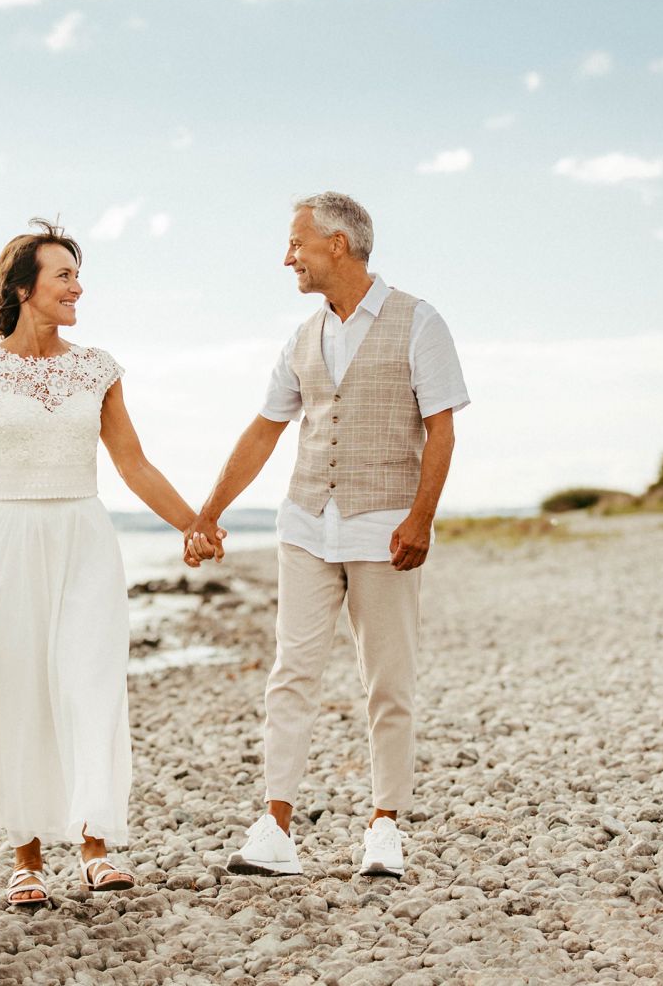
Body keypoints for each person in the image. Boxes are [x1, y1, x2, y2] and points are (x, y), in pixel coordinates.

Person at [0, 219, 202, 906]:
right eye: (63, 275)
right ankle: (26, 858)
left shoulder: (98, 367)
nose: (77, 287)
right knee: (21, 690)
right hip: (9, 540)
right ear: (24, 287)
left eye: (76, 274)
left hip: (84, 538)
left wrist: (193, 523)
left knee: (90, 684)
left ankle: (95, 847)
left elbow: (132, 462)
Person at [185, 192, 469, 879]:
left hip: (385, 529)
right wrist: (209, 512)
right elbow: (263, 431)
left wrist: (421, 518)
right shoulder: (300, 337)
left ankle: (384, 827)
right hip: (306, 524)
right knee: (291, 674)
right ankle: (276, 828)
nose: (289, 257)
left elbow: (442, 430)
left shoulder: (419, 321)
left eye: (297, 245)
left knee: (388, 682)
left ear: (336, 245)